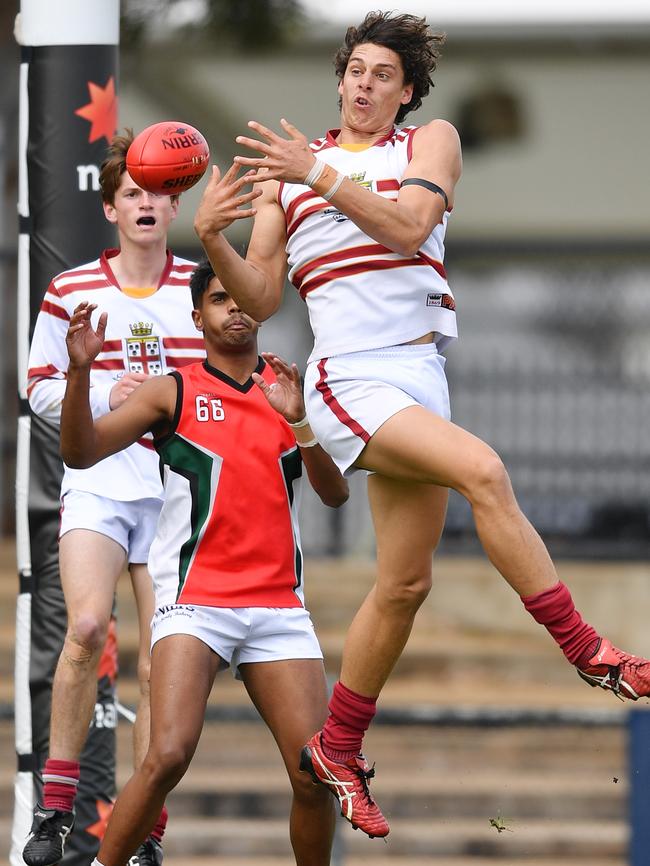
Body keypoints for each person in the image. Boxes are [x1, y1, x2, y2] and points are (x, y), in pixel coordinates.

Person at [193, 9, 650, 841]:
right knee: (486, 471)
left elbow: (408, 227)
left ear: (406, 93)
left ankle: (336, 745)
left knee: (405, 584)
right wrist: (212, 240)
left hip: (416, 374)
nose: (364, 84)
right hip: (346, 377)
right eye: (354, 70)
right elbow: (259, 298)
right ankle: (590, 652)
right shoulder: (289, 175)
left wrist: (319, 172)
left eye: (382, 75)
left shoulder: (429, 143)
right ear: (339, 78)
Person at [56, 258, 348, 866]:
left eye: (244, 297)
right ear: (198, 317)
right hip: (195, 602)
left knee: (313, 773)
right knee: (166, 756)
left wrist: (299, 422)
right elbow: (81, 453)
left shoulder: (291, 386)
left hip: (278, 606)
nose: (235, 308)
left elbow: (335, 493)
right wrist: (80, 374)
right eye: (219, 299)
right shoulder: (173, 389)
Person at [22, 130, 206, 866]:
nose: (147, 204)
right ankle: (54, 811)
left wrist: (164, 405)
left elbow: (216, 388)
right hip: (99, 481)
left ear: (176, 200)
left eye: (160, 191)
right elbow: (35, 387)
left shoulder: (197, 286)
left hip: (169, 492)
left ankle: (143, 834)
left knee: (164, 660)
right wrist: (105, 392)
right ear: (110, 207)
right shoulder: (71, 289)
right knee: (88, 627)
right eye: (132, 192)